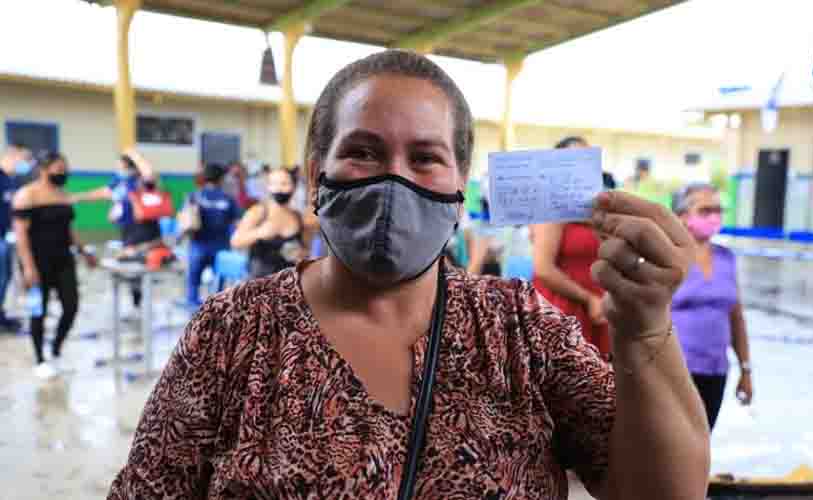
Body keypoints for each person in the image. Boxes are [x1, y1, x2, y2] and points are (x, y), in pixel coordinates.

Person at [109, 50, 709, 500]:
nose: (394, 179)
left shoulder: (519, 329)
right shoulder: (233, 331)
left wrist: (644, 327)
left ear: (459, 185)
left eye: (425, 158)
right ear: (316, 175)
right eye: (363, 152)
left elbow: (663, 493)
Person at [671, 182, 753, 430]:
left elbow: (736, 318)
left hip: (715, 369)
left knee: (705, 437)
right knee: (674, 440)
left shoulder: (726, 258)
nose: (713, 217)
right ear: (682, 216)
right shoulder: (668, 257)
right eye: (705, 210)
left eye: (718, 210)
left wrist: (745, 370)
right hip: (673, 369)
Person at [12, 152, 97, 378]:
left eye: (65, 169)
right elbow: (20, 235)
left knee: (71, 306)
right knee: (38, 311)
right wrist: (28, 267)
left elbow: (69, 230)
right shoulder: (26, 195)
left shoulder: (63, 195)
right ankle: (40, 359)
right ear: (43, 169)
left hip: (63, 260)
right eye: (59, 169)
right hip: (36, 261)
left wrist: (84, 252)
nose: (63, 173)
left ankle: (56, 350)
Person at [532, 136, 611, 358]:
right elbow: (543, 269)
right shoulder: (550, 206)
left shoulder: (596, 209)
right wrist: (588, 298)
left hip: (597, 309)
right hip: (562, 308)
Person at [72, 150, 162, 315]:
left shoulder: (141, 181)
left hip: (144, 231)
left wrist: (135, 155)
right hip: (127, 231)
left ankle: (144, 306)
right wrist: (78, 197)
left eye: (121, 166)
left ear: (131, 167)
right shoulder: (120, 181)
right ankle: (137, 304)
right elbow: (103, 192)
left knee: (143, 268)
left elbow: (150, 173)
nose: (118, 168)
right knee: (132, 270)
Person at [230, 166, 305, 278]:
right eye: (274, 184)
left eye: (284, 184)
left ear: (294, 186)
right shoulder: (259, 211)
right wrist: (258, 233)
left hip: (288, 281)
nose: (279, 189)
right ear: (268, 187)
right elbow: (235, 241)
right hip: (260, 281)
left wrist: (298, 254)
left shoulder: (297, 216)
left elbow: (303, 252)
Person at [185, 163, 239, 307]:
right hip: (221, 247)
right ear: (221, 179)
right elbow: (236, 223)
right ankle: (215, 311)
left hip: (198, 245)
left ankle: (192, 311)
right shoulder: (228, 199)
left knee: (193, 282)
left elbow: (185, 221)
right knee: (219, 287)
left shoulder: (194, 196)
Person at [0, 144, 34, 331]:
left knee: (5, 277)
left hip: (6, 235)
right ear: (12, 156)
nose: (26, 164)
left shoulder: (11, 180)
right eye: (23, 159)